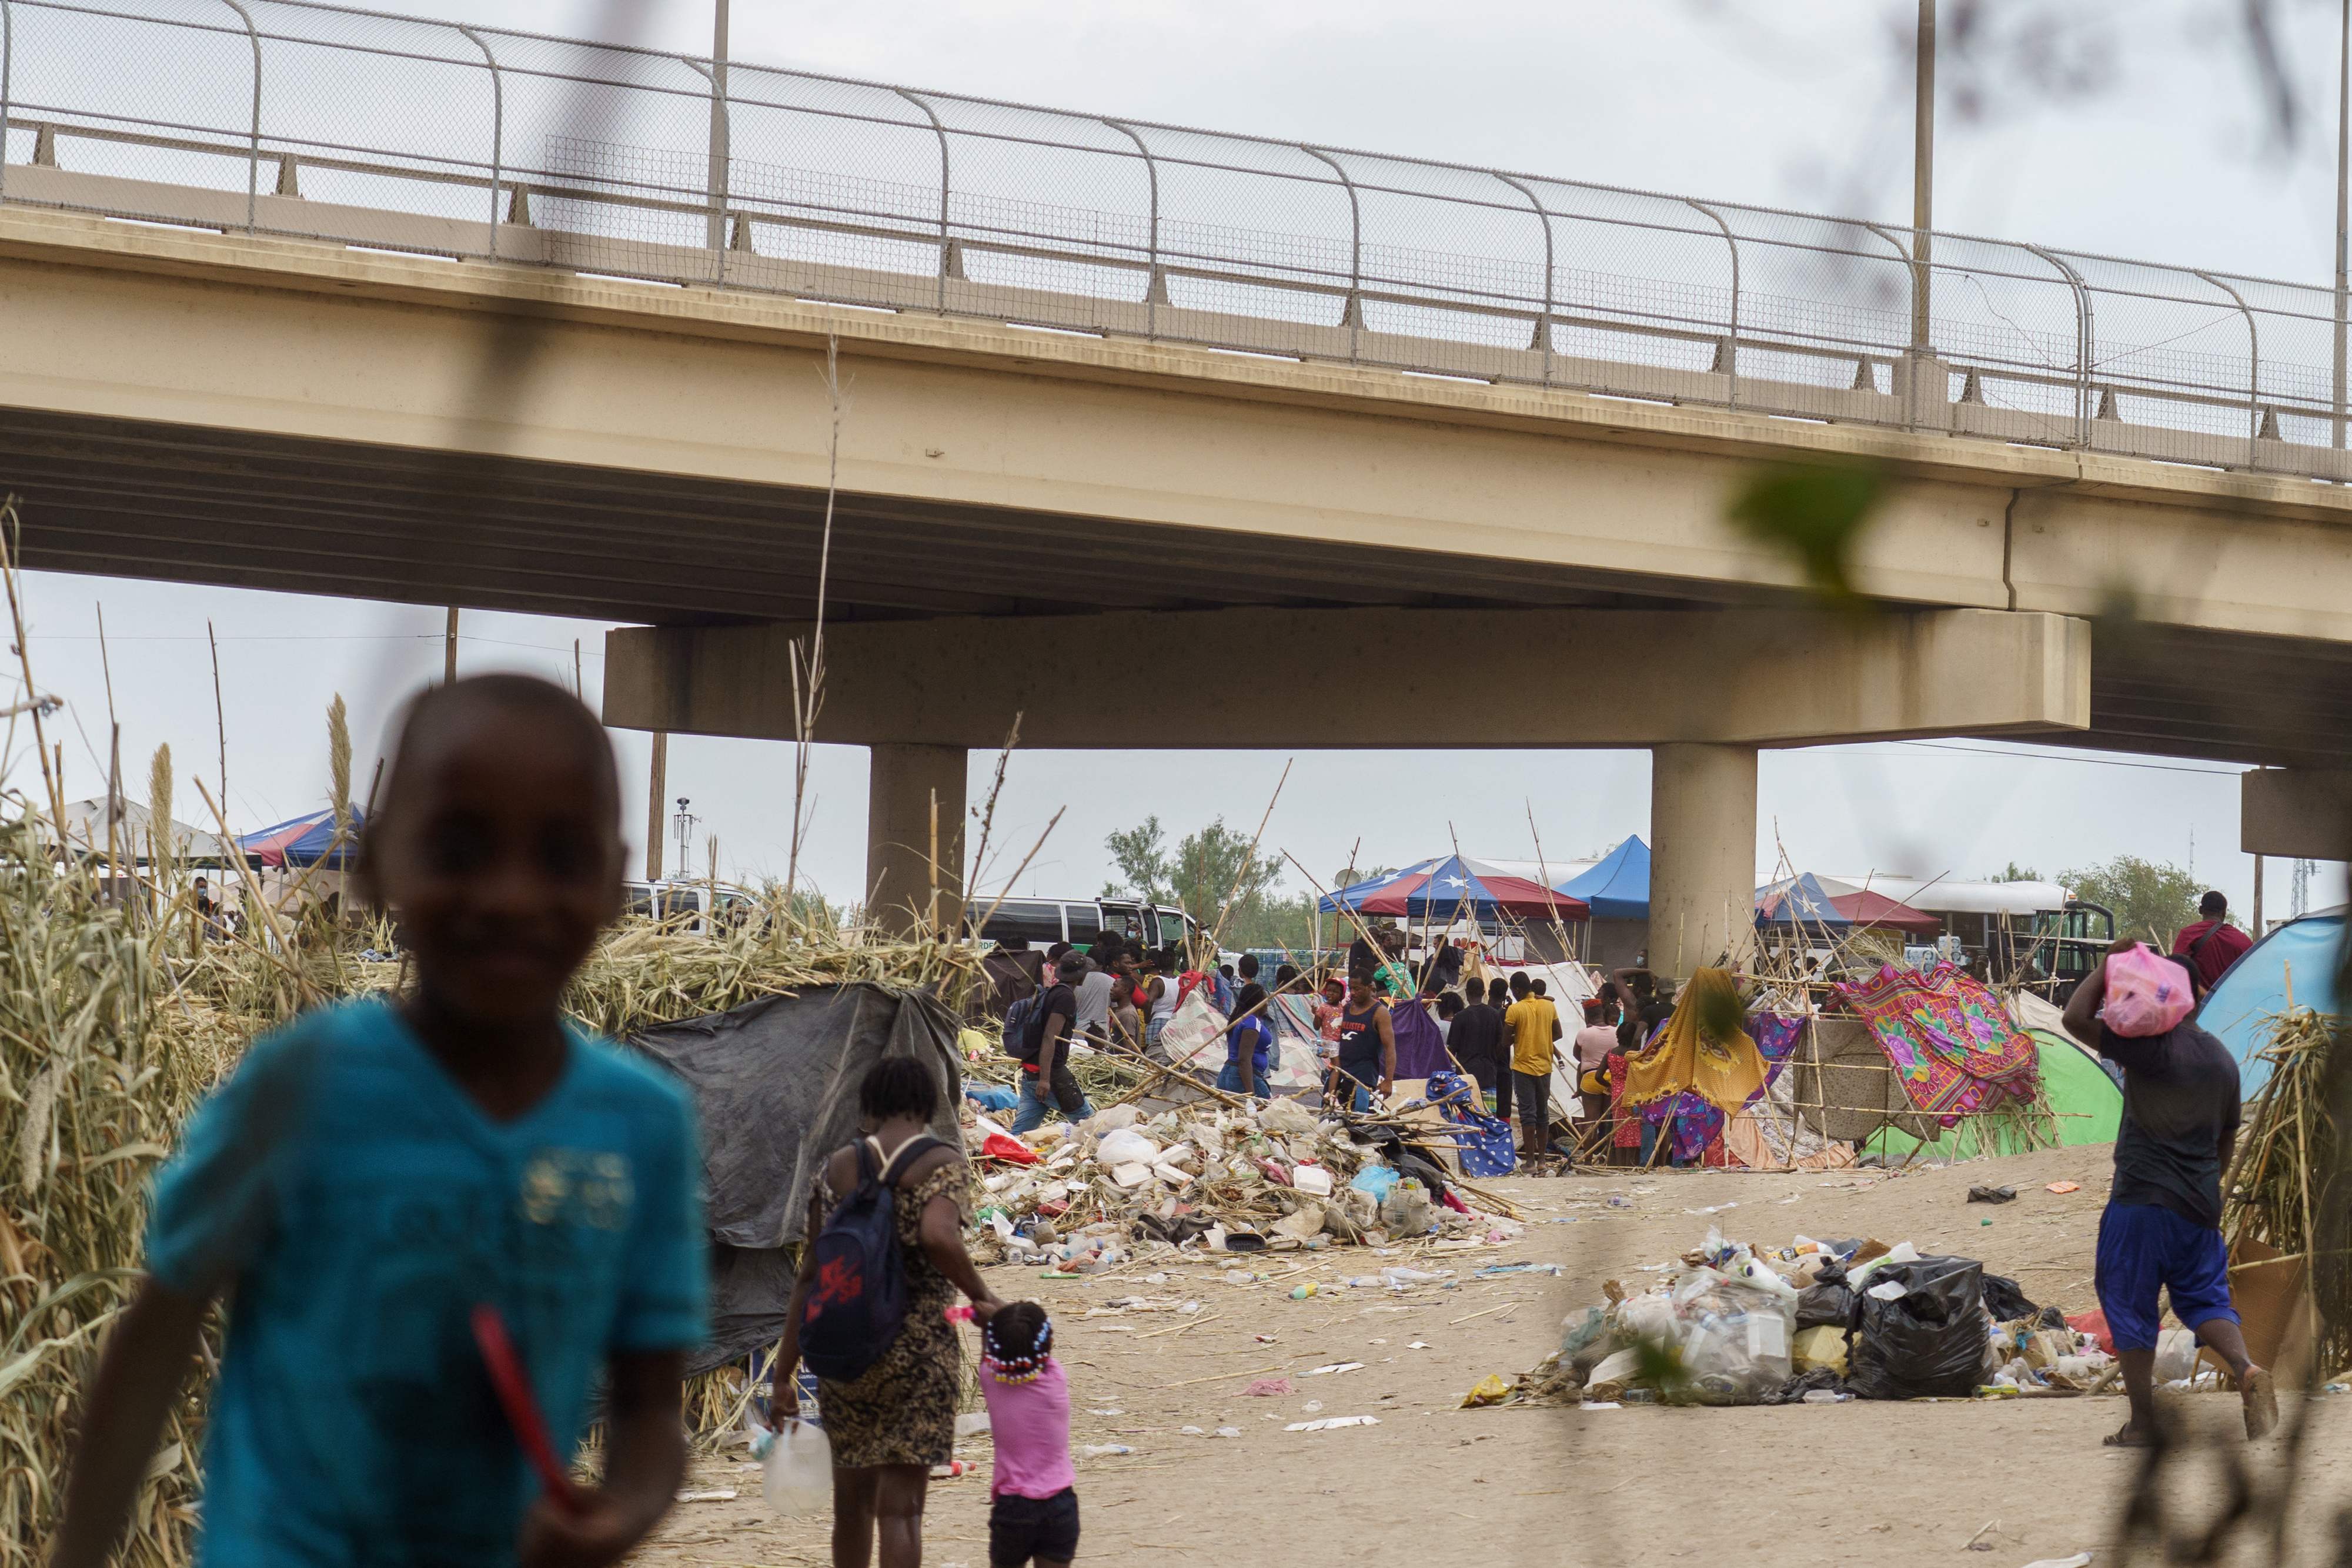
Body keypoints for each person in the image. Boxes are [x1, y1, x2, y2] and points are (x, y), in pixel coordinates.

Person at [52, 674, 708, 1568]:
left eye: (560, 854)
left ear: (612, 878)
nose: (512, 894)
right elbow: (156, 1340)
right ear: (376, 865)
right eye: (460, 846)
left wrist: (624, 1508)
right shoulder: (302, 1086)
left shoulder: (643, 1128)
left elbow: (649, 1411)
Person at [778, 1058, 1005, 1567]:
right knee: (900, 1512)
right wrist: (982, 1295)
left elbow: (809, 1277)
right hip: (918, 1352)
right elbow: (937, 1235)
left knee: (851, 1508)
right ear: (927, 1104)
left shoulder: (835, 1167)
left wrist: (782, 1376)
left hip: (846, 1354)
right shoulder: (941, 1161)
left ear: (870, 1107)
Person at [2063, 938, 2274, 1448]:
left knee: (2129, 1302)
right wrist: (2205, 1189)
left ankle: (2144, 1423)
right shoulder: (2223, 1060)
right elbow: (2227, 1140)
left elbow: (2072, 1018)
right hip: (2200, 1207)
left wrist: (2109, 961)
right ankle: (2247, 1369)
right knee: (2206, 1299)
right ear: (2195, 998)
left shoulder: (2150, 1048)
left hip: (2141, 1202)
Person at [976, 1302, 1078, 1568]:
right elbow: (1040, 1350)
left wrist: (987, 1327)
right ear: (1049, 1343)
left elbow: (988, 1356)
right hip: (1061, 1504)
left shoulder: (990, 1379)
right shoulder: (1056, 1378)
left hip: (1013, 1507)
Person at [1014, 952, 1094, 1133]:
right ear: (1080, 976)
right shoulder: (1065, 997)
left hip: (1032, 1072)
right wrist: (1045, 1079)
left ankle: (1006, 1152)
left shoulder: (1052, 993)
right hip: (1052, 1075)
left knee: (1021, 1133)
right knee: (1090, 1125)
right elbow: (1050, 1037)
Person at [1503, 971, 1562, 1164]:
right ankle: (1542, 1160)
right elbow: (1558, 1034)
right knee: (1542, 1112)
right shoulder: (1548, 1006)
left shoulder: (1515, 1010)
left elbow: (1505, 1041)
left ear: (1518, 990)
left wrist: (1521, 1037)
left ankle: (1530, 1161)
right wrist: (1541, 1037)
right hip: (1545, 1066)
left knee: (1527, 1114)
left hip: (1523, 1067)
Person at [1330, 971, 1396, 1112]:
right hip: (1341, 1072)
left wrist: (1388, 1081)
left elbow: (1390, 1049)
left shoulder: (1380, 1013)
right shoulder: (1347, 1008)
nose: (1353, 993)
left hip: (1363, 1078)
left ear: (1370, 987)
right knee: (1331, 1115)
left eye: (1357, 989)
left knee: (1359, 1118)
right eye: (1351, 988)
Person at [1448, 980, 1508, 1116]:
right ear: (1483, 993)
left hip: (1466, 1077)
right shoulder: (1494, 1015)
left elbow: (1452, 1050)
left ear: (1467, 993)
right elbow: (1501, 1046)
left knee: (1468, 1118)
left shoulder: (1460, 1017)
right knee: (1488, 1117)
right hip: (1489, 1076)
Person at [2173, 891, 2253, 992]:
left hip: (2198, 1006)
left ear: (2200, 910)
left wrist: (2204, 997)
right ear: (2224, 913)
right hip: (2231, 1005)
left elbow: (2175, 972)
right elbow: (2250, 978)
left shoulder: (2189, 935)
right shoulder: (2243, 941)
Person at [1220, 982, 1274, 1099]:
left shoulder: (1240, 1018)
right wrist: (1251, 1095)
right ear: (1258, 1003)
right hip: (1240, 1078)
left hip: (1230, 1074)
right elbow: (1244, 1060)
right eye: (1266, 1000)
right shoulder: (1252, 1022)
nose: (1267, 1004)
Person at [1143, 951, 1181, 1055]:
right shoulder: (1180, 981)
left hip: (1158, 1021)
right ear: (1174, 965)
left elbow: (1149, 1000)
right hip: (1173, 1022)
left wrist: (1147, 1019)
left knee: (1153, 1054)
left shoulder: (1158, 981)